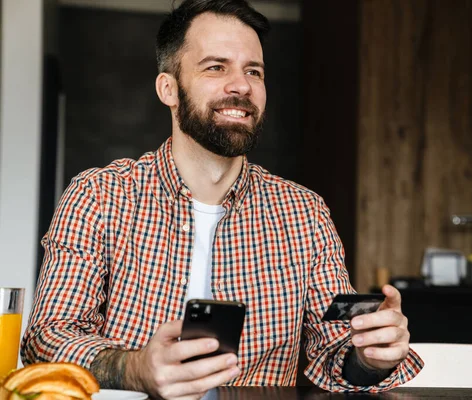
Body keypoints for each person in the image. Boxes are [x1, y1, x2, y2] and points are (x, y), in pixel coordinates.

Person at [21, 0, 423, 398]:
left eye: (254, 71)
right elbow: (46, 340)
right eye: (216, 67)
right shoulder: (98, 196)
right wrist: (134, 368)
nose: (242, 85)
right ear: (169, 88)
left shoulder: (305, 213)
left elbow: (338, 350)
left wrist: (371, 357)